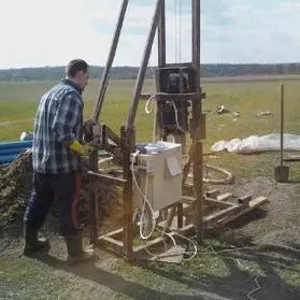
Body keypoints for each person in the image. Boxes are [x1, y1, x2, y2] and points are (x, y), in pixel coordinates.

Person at [23, 59, 95, 264]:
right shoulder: (72, 95)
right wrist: (82, 149)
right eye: (87, 77)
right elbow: (62, 131)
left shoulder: (51, 92)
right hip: (62, 166)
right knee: (69, 206)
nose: (87, 82)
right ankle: (75, 254)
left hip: (41, 163)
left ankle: (31, 243)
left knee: (38, 201)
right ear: (79, 74)